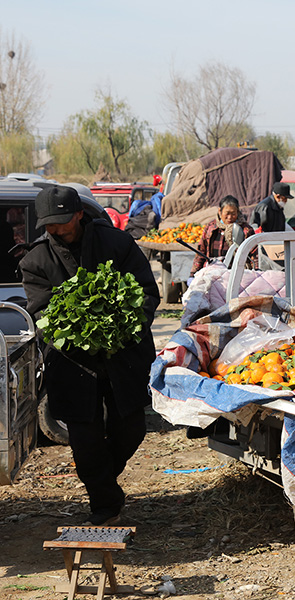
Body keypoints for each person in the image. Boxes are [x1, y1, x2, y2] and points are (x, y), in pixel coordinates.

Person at [19, 185, 159, 526]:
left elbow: (146, 293)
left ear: (79, 214)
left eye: (62, 222)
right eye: (49, 225)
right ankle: (105, 505)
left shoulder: (117, 243)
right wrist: (81, 332)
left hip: (123, 354)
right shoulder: (35, 261)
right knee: (85, 438)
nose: (56, 230)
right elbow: (42, 313)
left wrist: (121, 328)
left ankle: (102, 480)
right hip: (72, 363)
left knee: (132, 427)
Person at [191, 195, 255, 276]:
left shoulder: (245, 230)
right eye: (227, 213)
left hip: (235, 274)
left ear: (238, 212)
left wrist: (255, 273)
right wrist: (193, 274)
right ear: (220, 211)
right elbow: (201, 252)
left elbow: (254, 254)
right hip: (211, 273)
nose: (230, 217)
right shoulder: (211, 228)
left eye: (233, 214)